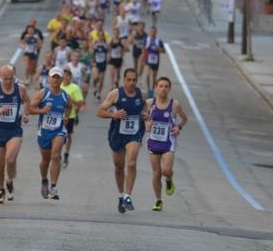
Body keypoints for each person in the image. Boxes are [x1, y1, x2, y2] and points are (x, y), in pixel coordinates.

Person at [96, 68, 147, 214]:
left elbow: (146, 110)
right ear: (124, 80)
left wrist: (145, 114)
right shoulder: (115, 94)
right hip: (117, 135)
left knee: (131, 163)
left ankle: (128, 196)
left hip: (134, 135)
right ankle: (121, 194)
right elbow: (99, 111)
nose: (131, 83)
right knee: (119, 167)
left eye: (134, 80)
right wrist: (114, 114)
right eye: (129, 80)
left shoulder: (142, 94)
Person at [0, 65, 30, 203]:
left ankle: (10, 182)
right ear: (1, 77)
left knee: (10, 159)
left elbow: (27, 100)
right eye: (5, 79)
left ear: (14, 76)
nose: (8, 82)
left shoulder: (20, 88)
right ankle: (1, 188)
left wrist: (25, 113)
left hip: (14, 130)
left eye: (11, 78)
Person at [145, 77, 188, 211]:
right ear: (156, 88)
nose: (163, 89)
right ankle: (158, 200)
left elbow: (184, 118)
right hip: (152, 142)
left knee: (165, 171)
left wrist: (178, 127)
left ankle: (169, 179)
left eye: (166, 86)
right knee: (156, 174)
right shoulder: (149, 103)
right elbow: (143, 117)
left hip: (168, 143)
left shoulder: (175, 104)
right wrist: (146, 124)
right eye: (161, 86)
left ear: (169, 89)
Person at [30, 67, 72, 199]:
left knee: (55, 156)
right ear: (49, 78)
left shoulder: (65, 95)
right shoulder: (43, 93)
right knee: (45, 160)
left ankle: (53, 187)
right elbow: (30, 109)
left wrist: (66, 117)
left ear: (62, 79)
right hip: (44, 131)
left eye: (58, 77)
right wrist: (42, 111)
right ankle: (44, 180)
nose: (55, 79)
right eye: (53, 77)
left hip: (59, 131)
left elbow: (69, 107)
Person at [59, 68, 84, 169]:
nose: (65, 77)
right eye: (63, 76)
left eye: (67, 76)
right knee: (59, 137)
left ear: (71, 77)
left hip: (70, 115)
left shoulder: (75, 88)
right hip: (58, 116)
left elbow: (80, 103)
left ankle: (66, 154)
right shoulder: (57, 86)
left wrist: (70, 99)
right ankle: (58, 155)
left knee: (67, 136)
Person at [144, 26, 165, 99]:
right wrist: (142, 56)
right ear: (150, 32)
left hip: (155, 61)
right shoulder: (147, 40)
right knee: (147, 74)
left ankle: (152, 90)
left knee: (154, 77)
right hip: (148, 61)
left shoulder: (159, 41)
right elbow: (143, 49)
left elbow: (164, 51)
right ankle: (149, 89)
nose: (152, 32)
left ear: (155, 32)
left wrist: (158, 49)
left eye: (154, 31)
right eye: (151, 31)